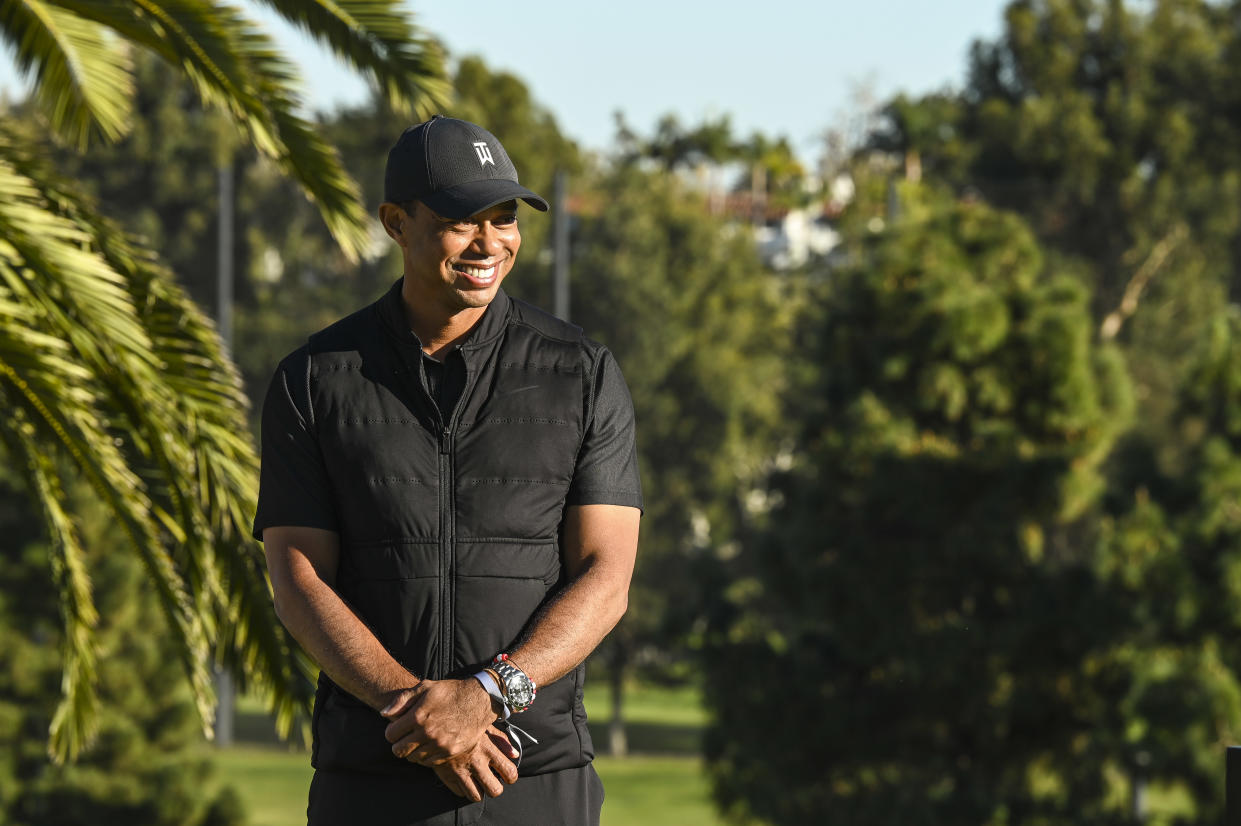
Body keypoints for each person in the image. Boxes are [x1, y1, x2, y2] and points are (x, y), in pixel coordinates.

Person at [253, 115, 643, 825]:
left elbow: (606, 577)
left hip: (535, 778)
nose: (489, 242)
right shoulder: (313, 379)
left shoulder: (581, 374)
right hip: (371, 779)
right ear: (396, 223)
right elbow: (297, 577)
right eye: (463, 220)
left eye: (503, 219)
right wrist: (419, 716)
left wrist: (485, 695)